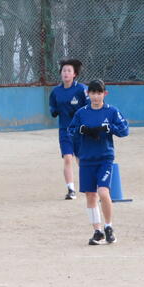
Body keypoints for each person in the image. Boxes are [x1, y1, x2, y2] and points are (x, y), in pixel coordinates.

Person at [67, 80, 129, 245]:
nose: (96, 96)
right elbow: (71, 132)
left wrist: (110, 128)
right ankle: (97, 231)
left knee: (102, 191)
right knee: (90, 195)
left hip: (104, 159)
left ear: (104, 94)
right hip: (87, 159)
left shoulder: (111, 111)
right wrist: (80, 130)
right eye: (93, 93)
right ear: (88, 94)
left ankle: (109, 227)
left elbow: (124, 130)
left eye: (99, 93)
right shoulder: (81, 113)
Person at [48, 59, 88, 200]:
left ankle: (90, 186)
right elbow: (53, 107)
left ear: (74, 74)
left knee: (81, 160)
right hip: (65, 130)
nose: (66, 73)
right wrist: (54, 111)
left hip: (80, 131)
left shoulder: (81, 89)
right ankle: (71, 190)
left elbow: (89, 106)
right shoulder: (56, 91)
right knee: (67, 158)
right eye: (64, 70)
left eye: (69, 71)